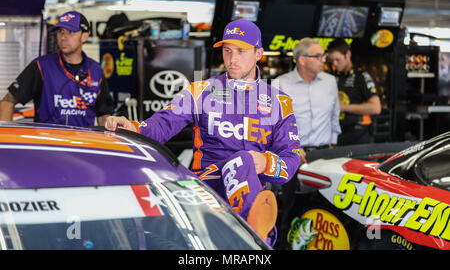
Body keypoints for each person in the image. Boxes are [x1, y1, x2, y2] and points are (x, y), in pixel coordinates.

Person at [105, 19, 301, 244]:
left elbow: (290, 159)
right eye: (227, 51)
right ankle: (254, 235)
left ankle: (252, 231)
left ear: (259, 53)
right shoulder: (201, 92)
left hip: (251, 198)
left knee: (245, 161)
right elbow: (161, 125)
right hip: (205, 198)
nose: (232, 59)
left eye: (241, 51)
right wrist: (133, 128)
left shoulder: (279, 102)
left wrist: (265, 163)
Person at [0, 10, 114, 126]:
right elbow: (7, 101)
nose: (63, 37)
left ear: (84, 36)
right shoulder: (41, 66)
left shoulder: (96, 71)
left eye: (70, 32)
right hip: (48, 143)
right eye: (60, 31)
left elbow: (103, 114)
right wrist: (4, 140)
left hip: (83, 143)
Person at [275, 38, 341, 152]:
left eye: (323, 55)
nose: (324, 60)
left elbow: (334, 115)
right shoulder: (280, 85)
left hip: (325, 153)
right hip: (293, 155)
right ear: (302, 60)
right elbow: (274, 126)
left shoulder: (330, 81)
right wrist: (290, 148)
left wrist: (333, 142)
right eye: (318, 56)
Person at [326, 38, 381, 145]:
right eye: (332, 60)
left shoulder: (362, 76)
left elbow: (375, 108)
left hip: (358, 135)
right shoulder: (330, 77)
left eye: (338, 60)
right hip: (335, 135)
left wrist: (344, 107)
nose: (335, 64)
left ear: (348, 54)